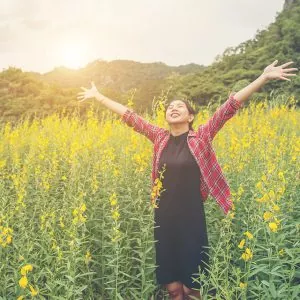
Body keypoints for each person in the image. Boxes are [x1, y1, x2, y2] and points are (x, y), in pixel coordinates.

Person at [77, 60, 297, 300]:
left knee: (193, 287)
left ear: (190, 116)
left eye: (179, 106)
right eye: (170, 107)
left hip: (192, 218)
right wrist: (98, 97)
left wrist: (263, 78)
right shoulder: (159, 138)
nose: (173, 108)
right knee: (173, 289)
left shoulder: (201, 137)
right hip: (164, 219)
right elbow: (130, 116)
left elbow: (229, 107)